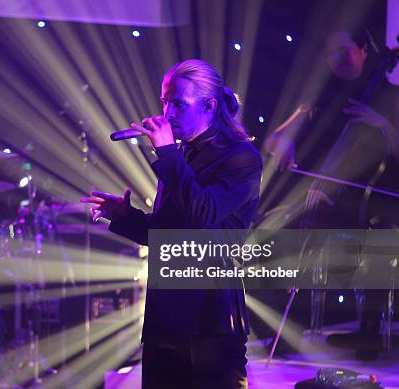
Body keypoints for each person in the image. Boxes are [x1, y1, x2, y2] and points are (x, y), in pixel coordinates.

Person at [81, 59, 262, 388]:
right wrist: (125, 217)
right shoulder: (182, 156)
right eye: (165, 102)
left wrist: (168, 155)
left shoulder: (241, 158)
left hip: (212, 320)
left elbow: (204, 215)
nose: (167, 114)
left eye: (178, 104)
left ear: (208, 105)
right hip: (165, 317)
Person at [264, 24, 398, 359]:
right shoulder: (324, 96)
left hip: (374, 199)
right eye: (329, 52)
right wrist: (286, 141)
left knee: (380, 240)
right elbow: (276, 137)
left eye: (343, 49)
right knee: (278, 235)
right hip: (328, 198)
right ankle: (281, 329)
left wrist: (381, 123)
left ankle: (368, 333)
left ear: (364, 49)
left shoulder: (389, 95)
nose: (334, 58)